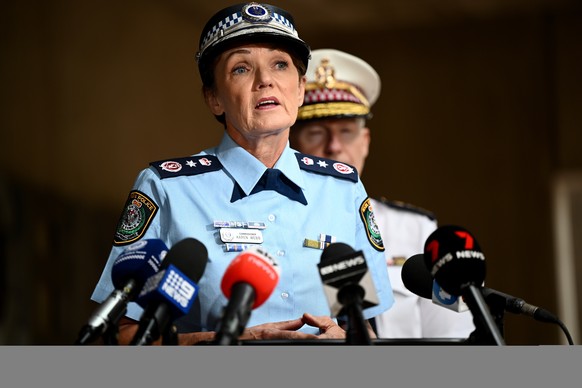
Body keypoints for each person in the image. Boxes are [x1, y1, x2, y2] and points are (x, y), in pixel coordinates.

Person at [89, 3, 393, 345]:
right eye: (241, 69)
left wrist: (346, 338)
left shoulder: (341, 189)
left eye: (280, 65)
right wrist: (229, 341)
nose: (266, 81)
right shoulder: (168, 189)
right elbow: (120, 337)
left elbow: (361, 323)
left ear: (300, 90)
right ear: (214, 98)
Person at [290, 48, 475, 338]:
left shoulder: (416, 229)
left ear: (365, 142)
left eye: (347, 131)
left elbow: (454, 338)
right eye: (316, 133)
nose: (334, 146)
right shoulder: (277, 226)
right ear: (292, 143)